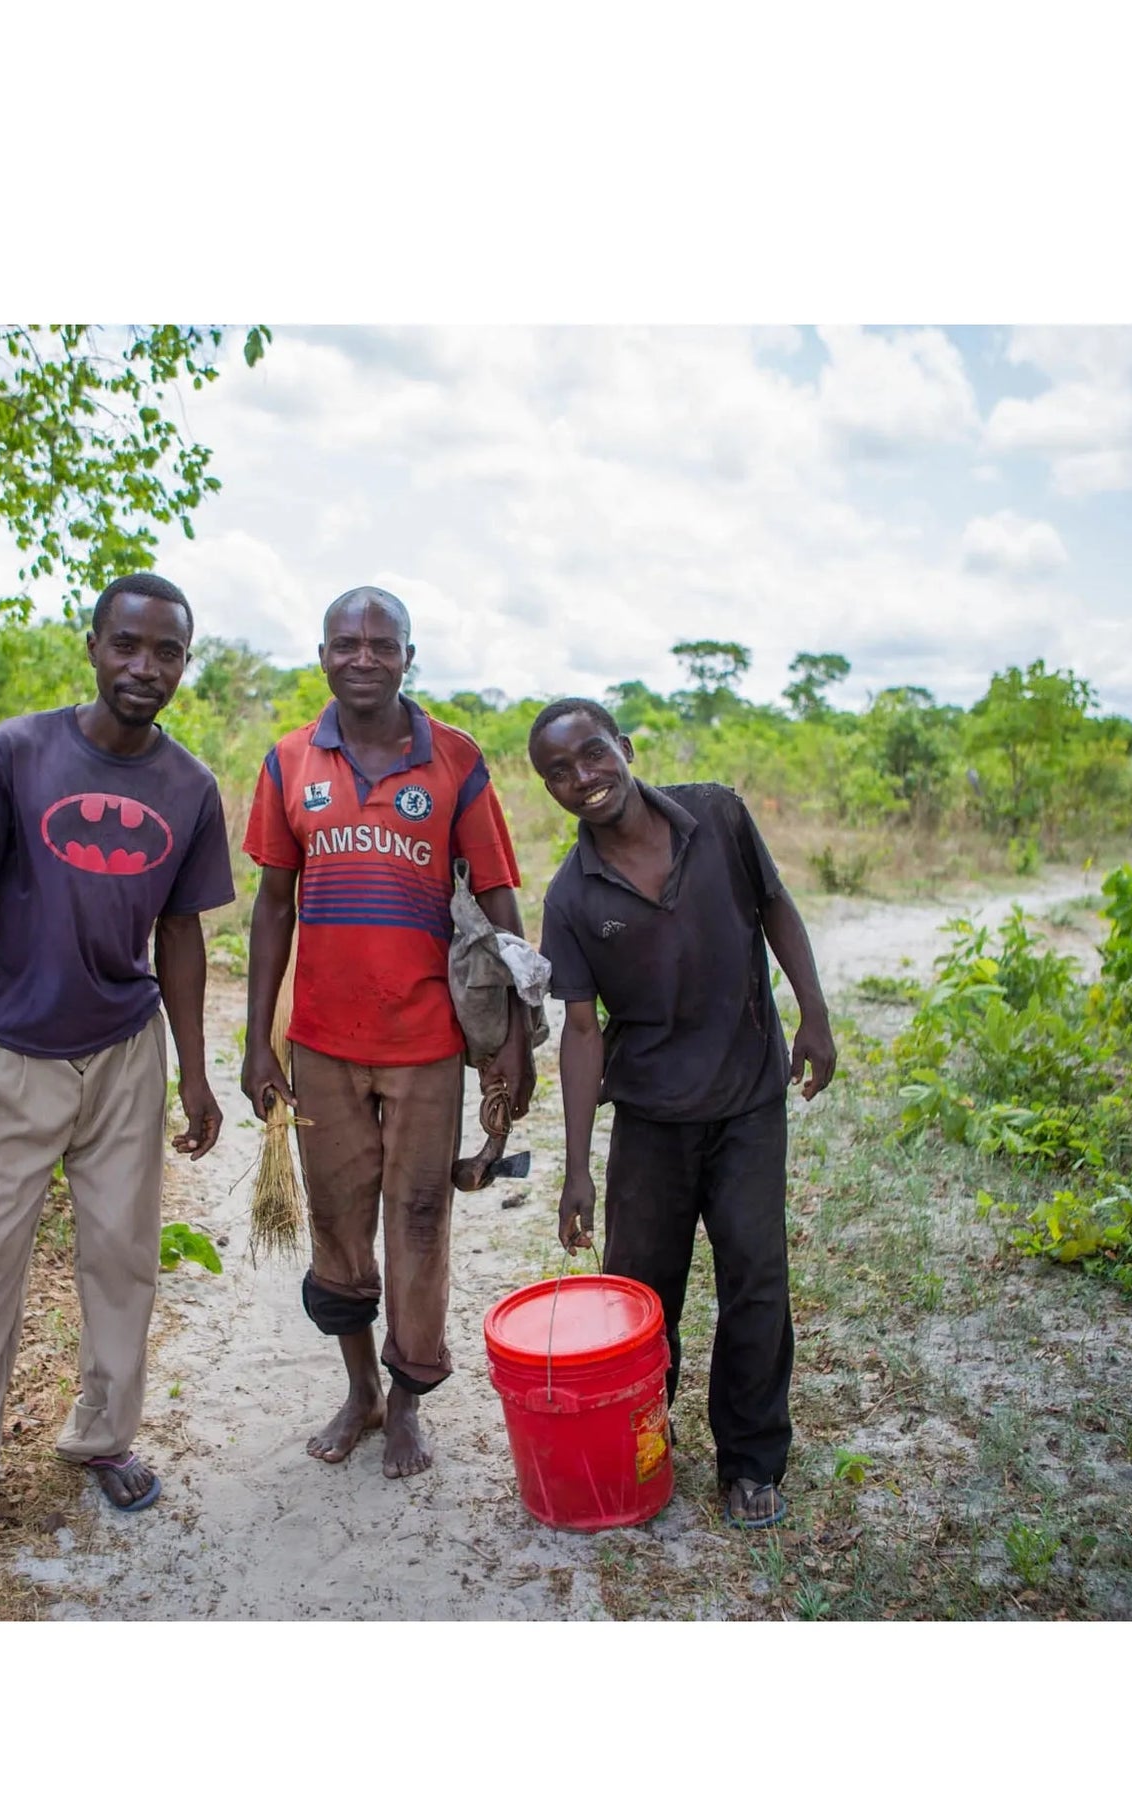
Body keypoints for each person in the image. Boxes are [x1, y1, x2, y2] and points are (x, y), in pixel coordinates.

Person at [0, 572, 235, 1582]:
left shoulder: (189, 787)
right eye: (126, 645)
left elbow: (181, 934)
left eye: (166, 652)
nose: (145, 667)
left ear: (183, 663)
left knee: (122, 1258)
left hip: (125, 1051)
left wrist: (193, 1070)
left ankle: (101, 1435)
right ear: (91, 645)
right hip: (16, 1053)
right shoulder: (15, 753)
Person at [241, 586, 530, 1479]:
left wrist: (515, 1034)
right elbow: (273, 906)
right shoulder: (290, 761)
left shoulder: (456, 759)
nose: (361, 657)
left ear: (410, 655)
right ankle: (360, 1388)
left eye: (381, 643)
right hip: (322, 1043)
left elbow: (497, 899)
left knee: (418, 1219)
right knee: (337, 1223)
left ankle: (408, 1399)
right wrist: (260, 1040)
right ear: (322, 655)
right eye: (344, 643)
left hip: (427, 1045)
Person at [528, 697, 836, 1529]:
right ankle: (640, 1444)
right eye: (559, 772)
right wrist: (579, 1168)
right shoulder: (572, 896)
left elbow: (775, 909)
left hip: (747, 1101)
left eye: (592, 755)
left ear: (625, 749)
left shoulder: (718, 815)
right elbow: (582, 1031)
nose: (582, 778)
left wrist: (813, 1014)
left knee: (756, 1281)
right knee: (640, 1297)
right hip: (651, 1121)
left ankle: (752, 1459)